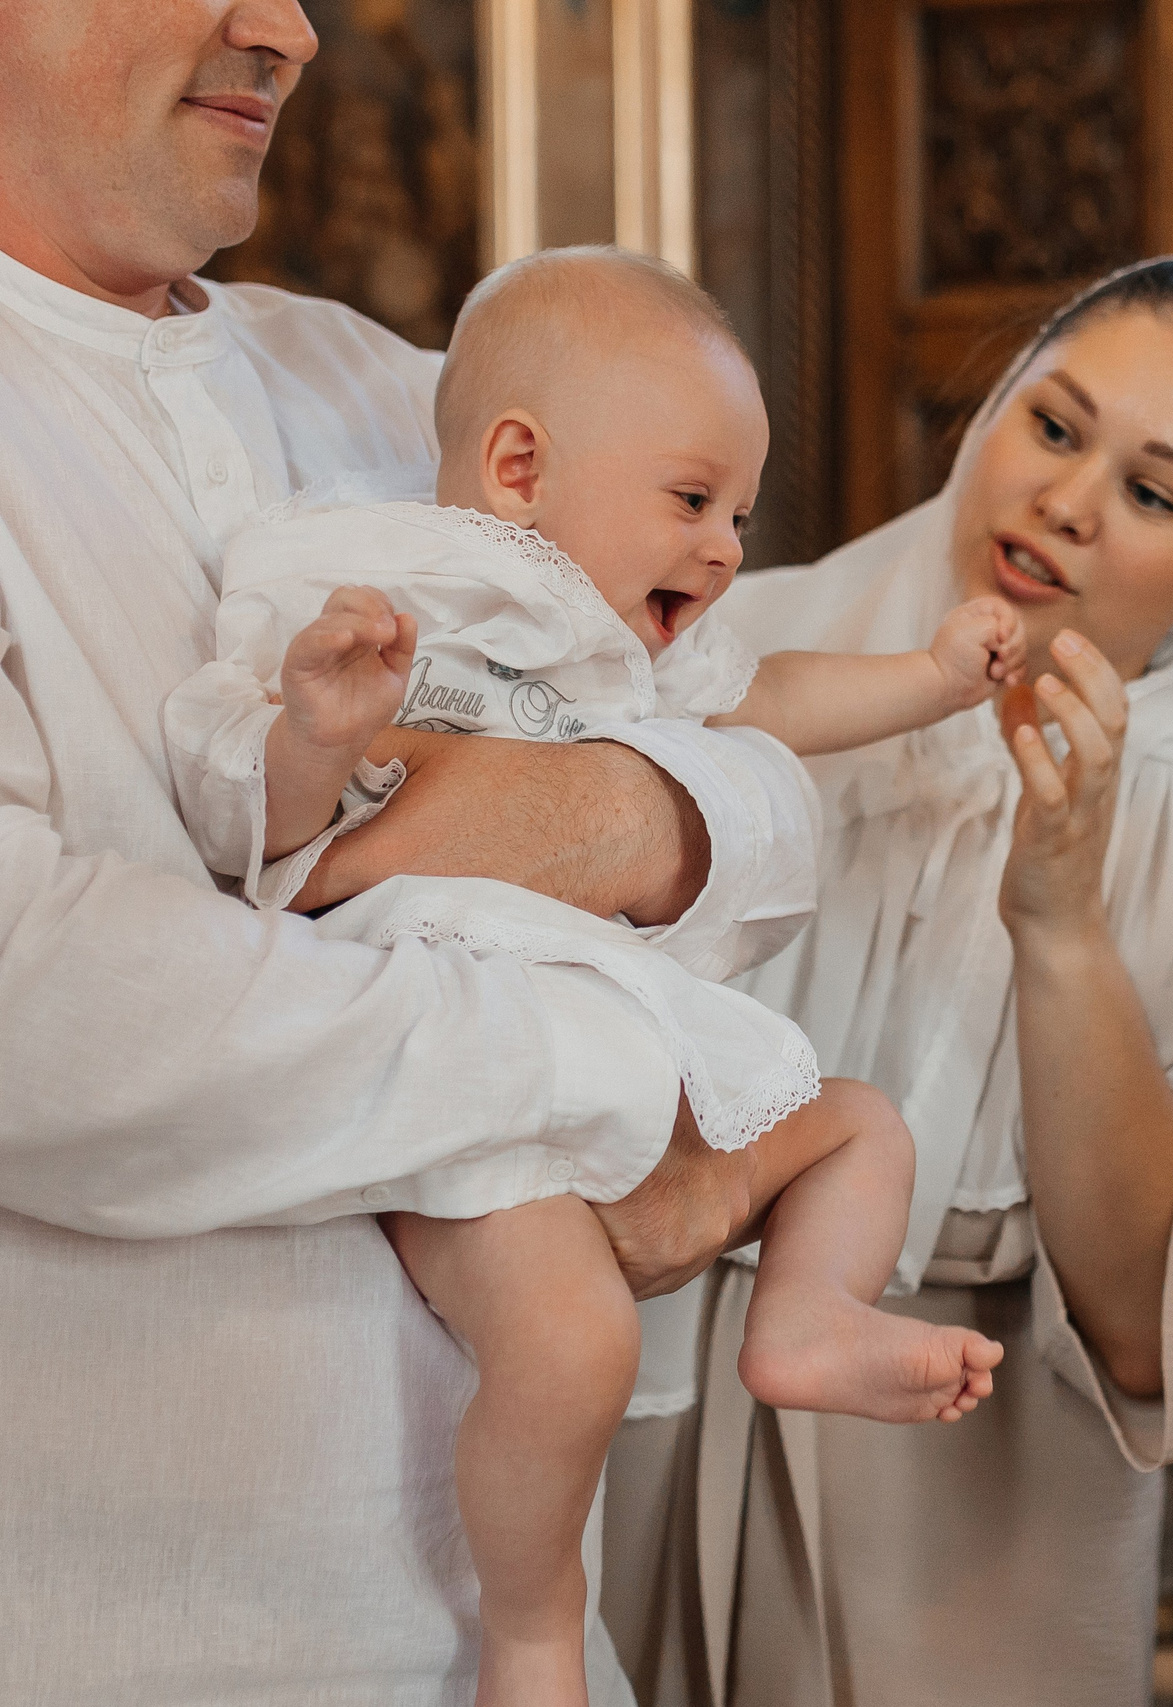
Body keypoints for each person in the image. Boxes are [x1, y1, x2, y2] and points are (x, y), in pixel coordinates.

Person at [0, 4, 824, 1703]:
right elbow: (45, 1012)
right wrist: (603, 1072)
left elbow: (770, 778)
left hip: (510, 1629)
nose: (287, 29)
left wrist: (623, 814)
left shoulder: (390, 386)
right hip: (122, 1622)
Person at [161, 246, 1022, 1707]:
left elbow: (779, 694)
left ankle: (805, 1314)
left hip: (625, 1025)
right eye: (694, 499)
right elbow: (265, 829)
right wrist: (315, 725)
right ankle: (535, 1629)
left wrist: (931, 680)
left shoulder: (637, 647)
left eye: (740, 514)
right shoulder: (366, 586)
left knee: (862, 1123)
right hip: (463, 1060)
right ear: (516, 465)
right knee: (572, 1344)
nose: (729, 547)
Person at [612, 256, 1173, 1706]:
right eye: (1053, 426)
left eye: (1156, 494)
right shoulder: (736, 648)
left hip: (963, 1533)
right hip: (619, 1428)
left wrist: (1063, 920)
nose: (1068, 501)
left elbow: (1155, 1332)